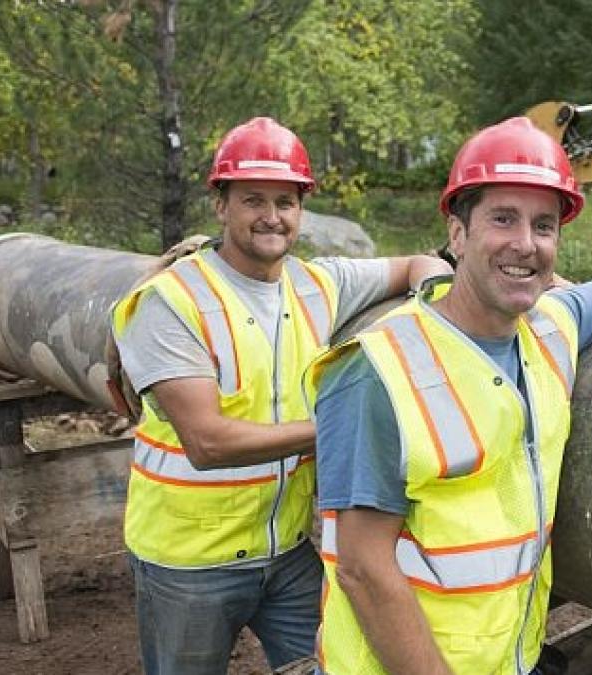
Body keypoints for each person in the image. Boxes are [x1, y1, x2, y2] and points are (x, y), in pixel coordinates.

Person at [308, 116, 592, 675]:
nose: (526, 244)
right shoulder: (377, 370)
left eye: (544, 226)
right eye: (503, 219)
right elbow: (362, 568)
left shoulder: (551, 325)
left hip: (507, 657)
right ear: (457, 233)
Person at [109, 116, 451, 674]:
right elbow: (207, 442)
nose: (272, 217)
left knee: (338, 662)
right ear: (221, 205)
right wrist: (341, 431)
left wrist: (435, 296)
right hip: (189, 563)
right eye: (253, 201)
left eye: (286, 202)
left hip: (288, 551)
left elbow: (418, 264)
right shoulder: (170, 301)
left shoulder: (318, 283)